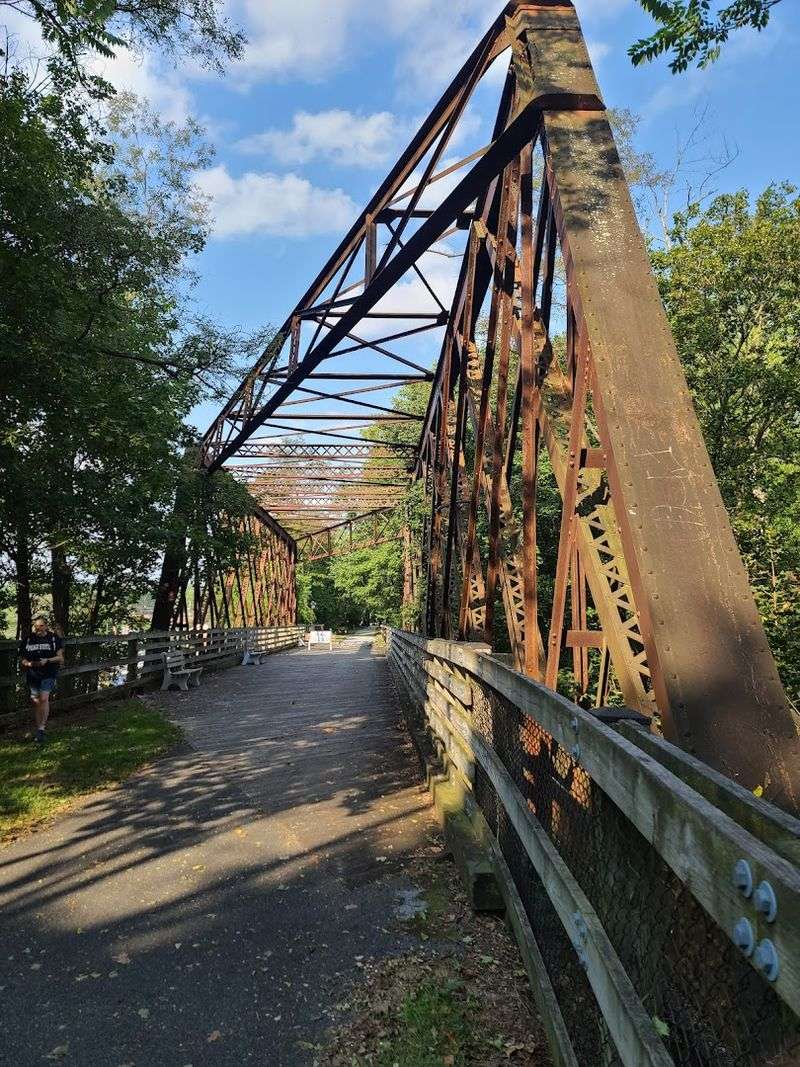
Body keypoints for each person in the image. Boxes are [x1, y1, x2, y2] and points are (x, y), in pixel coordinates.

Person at [20, 616, 65, 743]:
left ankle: (41, 729)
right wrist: (27, 663)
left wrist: (47, 660)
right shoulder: (29, 639)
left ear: (46, 626)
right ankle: (39, 728)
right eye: (36, 626)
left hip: (48, 673)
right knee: (36, 701)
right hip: (33, 674)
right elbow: (22, 658)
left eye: (41, 626)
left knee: (44, 698)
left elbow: (60, 658)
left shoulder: (53, 638)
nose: (38, 628)